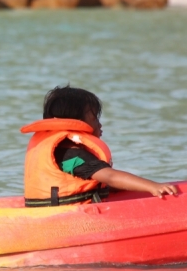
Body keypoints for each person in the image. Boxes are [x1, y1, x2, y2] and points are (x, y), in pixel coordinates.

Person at [21, 85, 178, 207]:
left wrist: (137, 187)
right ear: (77, 121)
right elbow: (109, 176)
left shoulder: (59, 148)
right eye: (95, 118)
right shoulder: (70, 154)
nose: (100, 124)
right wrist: (153, 186)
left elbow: (101, 181)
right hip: (67, 220)